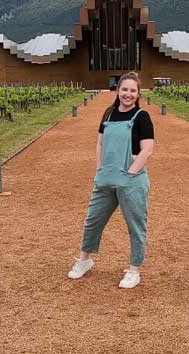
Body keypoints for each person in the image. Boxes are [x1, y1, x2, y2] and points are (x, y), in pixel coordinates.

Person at [67, 71, 155, 289]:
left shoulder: (142, 117)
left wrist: (130, 173)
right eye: (124, 89)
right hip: (106, 179)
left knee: (136, 226)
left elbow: (147, 149)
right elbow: (99, 144)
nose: (128, 94)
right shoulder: (109, 114)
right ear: (118, 90)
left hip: (131, 182)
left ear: (138, 93)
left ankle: (134, 270)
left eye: (132, 90)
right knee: (93, 220)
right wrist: (99, 169)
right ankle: (84, 260)